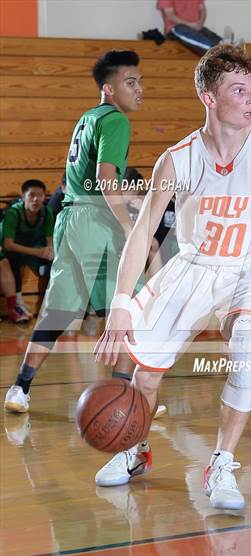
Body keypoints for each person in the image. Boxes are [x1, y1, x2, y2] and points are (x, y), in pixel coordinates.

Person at [94, 44, 251, 509]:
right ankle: (135, 449)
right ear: (208, 97)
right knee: (146, 376)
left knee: (249, 341)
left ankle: (221, 463)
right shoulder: (177, 159)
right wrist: (119, 302)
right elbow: (142, 234)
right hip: (192, 268)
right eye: (240, 90)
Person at [3, 50, 141, 414]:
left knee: (60, 312)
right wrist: (129, 226)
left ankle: (20, 388)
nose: (139, 89)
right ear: (109, 89)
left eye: (139, 81)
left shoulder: (87, 117)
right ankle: (123, 397)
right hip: (96, 221)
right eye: (131, 82)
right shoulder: (115, 121)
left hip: (70, 218)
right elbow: (106, 179)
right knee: (128, 310)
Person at [0, 179, 54, 320]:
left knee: (52, 265)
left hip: (30, 247)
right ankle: (18, 304)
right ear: (23, 196)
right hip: (14, 249)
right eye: (31, 195)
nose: (36, 199)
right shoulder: (13, 213)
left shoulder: (47, 212)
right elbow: (8, 245)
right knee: (12, 260)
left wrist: (50, 251)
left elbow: (50, 240)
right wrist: (38, 252)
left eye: (40, 195)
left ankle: (50, 307)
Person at [157, 0, 231, 56]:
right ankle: (217, 50)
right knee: (196, 37)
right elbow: (169, 15)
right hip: (175, 29)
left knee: (211, 36)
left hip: (195, 28)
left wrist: (200, 24)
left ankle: (227, 46)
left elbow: (203, 10)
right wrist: (191, 25)